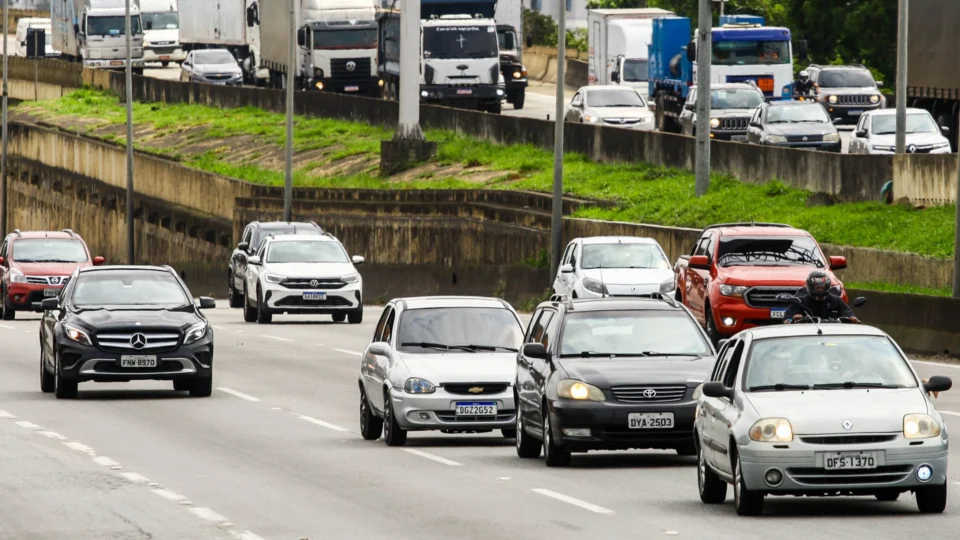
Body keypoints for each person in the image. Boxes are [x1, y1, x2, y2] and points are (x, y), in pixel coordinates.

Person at [784, 270, 860, 323]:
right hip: (806, 336)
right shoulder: (800, 302)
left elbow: (847, 312)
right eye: (817, 286)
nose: (820, 288)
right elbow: (786, 320)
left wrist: (852, 318)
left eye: (822, 286)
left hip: (832, 335)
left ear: (827, 285)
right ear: (810, 286)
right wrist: (794, 319)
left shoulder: (836, 300)